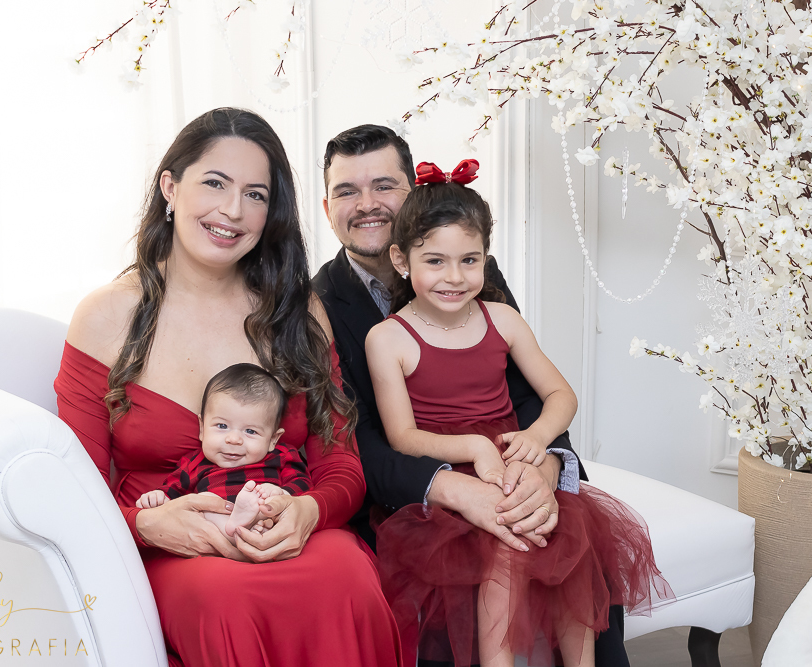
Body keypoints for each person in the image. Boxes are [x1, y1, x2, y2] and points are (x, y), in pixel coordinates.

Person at [54, 108, 403, 667]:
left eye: (257, 194)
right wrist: (147, 523)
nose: (233, 211)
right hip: (174, 549)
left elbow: (340, 464)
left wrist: (311, 511)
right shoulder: (105, 316)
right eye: (215, 183)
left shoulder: (296, 310)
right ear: (170, 186)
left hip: (292, 532)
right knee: (227, 602)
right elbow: (73, 493)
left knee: (349, 580)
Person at [311, 125, 633, 666]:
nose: (366, 204)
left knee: (579, 555)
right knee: (457, 589)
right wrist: (455, 490)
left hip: (510, 460)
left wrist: (545, 467)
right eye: (347, 191)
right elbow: (354, 439)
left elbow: (525, 387)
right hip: (411, 494)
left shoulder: (471, 272)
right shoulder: (319, 302)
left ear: (412, 189)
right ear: (327, 207)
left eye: (384, 185)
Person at [366, 161, 671, 667]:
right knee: (505, 547)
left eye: (470, 260)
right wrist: (474, 447)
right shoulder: (389, 338)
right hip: (452, 470)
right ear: (402, 259)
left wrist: (537, 439)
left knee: (566, 537)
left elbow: (561, 395)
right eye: (436, 261)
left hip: (516, 462)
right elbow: (402, 437)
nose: (455, 277)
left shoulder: (501, 318)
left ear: (487, 256)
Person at [136, 363, 312, 540]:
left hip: (265, 518)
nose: (234, 439)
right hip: (213, 530)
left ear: (273, 439)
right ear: (202, 428)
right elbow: (171, 492)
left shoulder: (281, 456)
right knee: (204, 503)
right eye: (222, 426)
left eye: (250, 431)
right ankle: (238, 528)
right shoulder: (194, 462)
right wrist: (158, 497)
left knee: (271, 505)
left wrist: (281, 494)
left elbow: (303, 483)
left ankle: (251, 523)